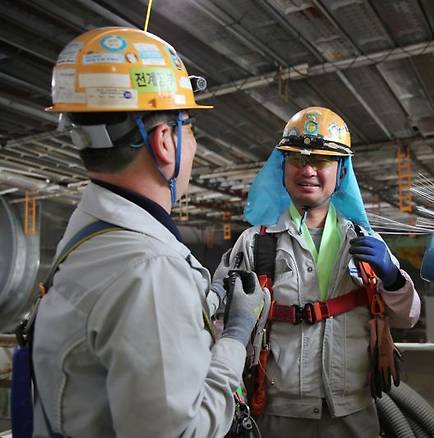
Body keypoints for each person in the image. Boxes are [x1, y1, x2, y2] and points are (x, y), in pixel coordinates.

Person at [29, 27, 264, 437]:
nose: (192, 144)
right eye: (188, 127)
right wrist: (237, 337)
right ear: (164, 142)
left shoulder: (90, 237)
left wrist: (204, 302)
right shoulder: (151, 270)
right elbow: (183, 432)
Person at [212, 107, 421, 437]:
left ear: (340, 171)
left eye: (321, 160)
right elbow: (218, 320)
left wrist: (392, 279)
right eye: (296, 158)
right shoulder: (256, 244)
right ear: (282, 168)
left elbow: (407, 318)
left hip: (352, 413)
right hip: (277, 413)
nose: (307, 169)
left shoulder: (365, 241)